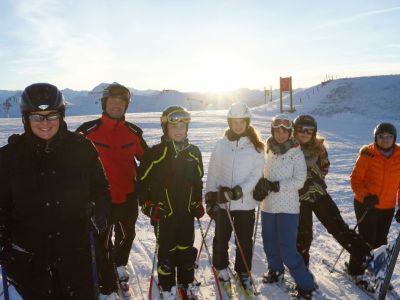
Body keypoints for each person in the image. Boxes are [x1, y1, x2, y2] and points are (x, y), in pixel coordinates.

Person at [0, 83, 110, 299]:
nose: (45, 123)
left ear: (61, 116)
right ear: (25, 118)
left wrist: (99, 211)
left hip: (77, 255)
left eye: (51, 115)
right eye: (37, 116)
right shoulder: (8, 157)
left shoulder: (82, 148)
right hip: (29, 261)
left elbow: (101, 188)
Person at [76, 82, 148, 299]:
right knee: (101, 243)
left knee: (127, 235)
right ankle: (105, 280)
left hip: (127, 196)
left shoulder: (133, 132)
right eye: (112, 101)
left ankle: (119, 266)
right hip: (101, 200)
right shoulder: (87, 131)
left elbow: (148, 160)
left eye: (121, 102)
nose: (116, 105)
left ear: (126, 106)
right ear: (104, 103)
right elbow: (70, 164)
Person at [136, 106, 204, 299]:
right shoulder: (155, 154)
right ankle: (167, 287)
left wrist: (196, 203)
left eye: (183, 125)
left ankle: (186, 281)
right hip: (164, 214)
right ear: (165, 127)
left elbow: (197, 181)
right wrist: (148, 206)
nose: (179, 130)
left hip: (186, 214)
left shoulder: (194, 153)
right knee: (167, 252)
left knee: (185, 249)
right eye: (174, 126)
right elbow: (141, 183)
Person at [293, 115, 373, 275]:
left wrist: (313, 178)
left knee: (338, 226)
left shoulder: (319, 149)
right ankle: (302, 273)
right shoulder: (288, 148)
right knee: (303, 236)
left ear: (314, 133)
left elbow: (325, 167)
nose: (305, 133)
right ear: (295, 131)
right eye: (301, 129)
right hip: (298, 199)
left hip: (319, 194)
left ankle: (367, 255)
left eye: (309, 130)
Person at [253, 114, 317, 299]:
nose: (280, 134)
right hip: (268, 206)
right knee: (269, 243)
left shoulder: (296, 153)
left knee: (288, 249)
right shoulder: (266, 150)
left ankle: (306, 285)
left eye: (284, 131)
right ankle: (275, 271)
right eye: (277, 130)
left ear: (290, 133)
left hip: (288, 208)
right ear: (273, 131)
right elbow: (258, 170)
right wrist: (260, 185)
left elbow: (299, 181)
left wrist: (276, 185)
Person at [205, 102, 264, 294]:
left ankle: (243, 271)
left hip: (245, 203)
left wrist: (238, 192)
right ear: (229, 122)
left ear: (247, 122)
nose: (238, 125)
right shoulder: (221, 145)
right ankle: (221, 268)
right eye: (234, 121)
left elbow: (256, 175)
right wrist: (210, 197)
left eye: (242, 121)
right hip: (223, 202)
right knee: (221, 238)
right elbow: (213, 172)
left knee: (244, 241)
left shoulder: (256, 147)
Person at [348, 122, 400, 288]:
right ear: (376, 138)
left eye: (389, 136)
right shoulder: (367, 154)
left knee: (380, 241)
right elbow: (355, 180)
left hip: (387, 207)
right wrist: (366, 196)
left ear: (394, 138)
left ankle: (377, 271)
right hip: (366, 204)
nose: (385, 140)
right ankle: (355, 271)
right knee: (366, 239)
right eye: (381, 136)